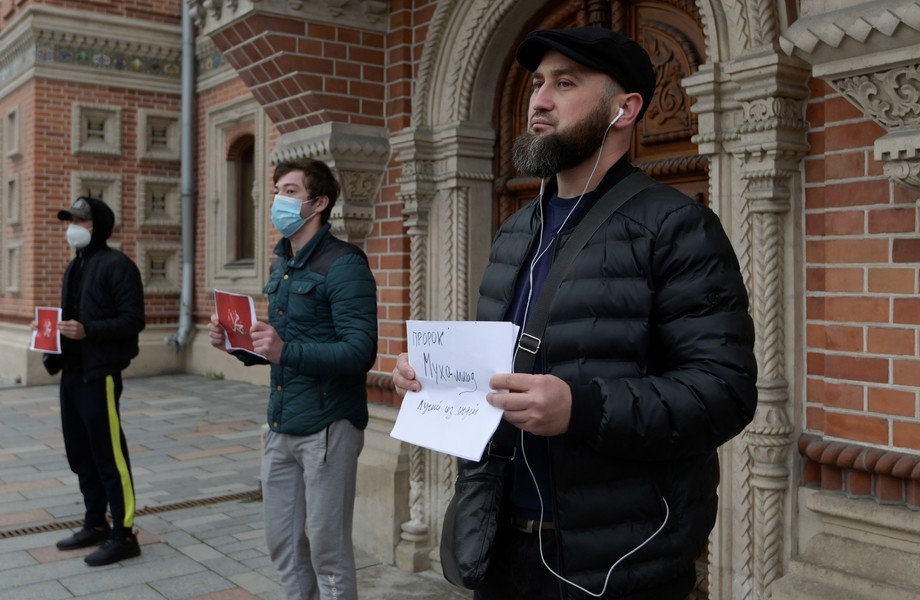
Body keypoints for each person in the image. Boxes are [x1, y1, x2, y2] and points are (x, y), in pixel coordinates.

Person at [392, 26, 758, 600]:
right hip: (502, 548)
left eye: (565, 83)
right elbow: (499, 369)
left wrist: (579, 408)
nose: (538, 99)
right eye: (538, 83)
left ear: (625, 108)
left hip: (619, 563)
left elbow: (724, 393)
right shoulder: (516, 230)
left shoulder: (677, 226)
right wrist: (434, 380)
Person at [209, 158, 378, 600]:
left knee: (328, 552)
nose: (277, 201)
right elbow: (280, 347)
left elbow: (360, 352)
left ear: (318, 202)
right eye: (276, 190)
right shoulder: (282, 262)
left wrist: (285, 349)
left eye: (288, 191)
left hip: (328, 426)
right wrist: (237, 344)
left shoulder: (344, 264)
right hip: (281, 423)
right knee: (282, 543)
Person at [42, 195, 146, 566]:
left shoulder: (118, 265)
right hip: (72, 373)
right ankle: (95, 523)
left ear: (98, 225)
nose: (74, 228)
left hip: (99, 373)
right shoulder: (76, 266)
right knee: (80, 454)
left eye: (81, 222)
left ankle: (124, 533)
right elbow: (69, 318)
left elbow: (133, 320)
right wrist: (49, 337)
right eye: (70, 220)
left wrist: (89, 331)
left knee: (109, 456)